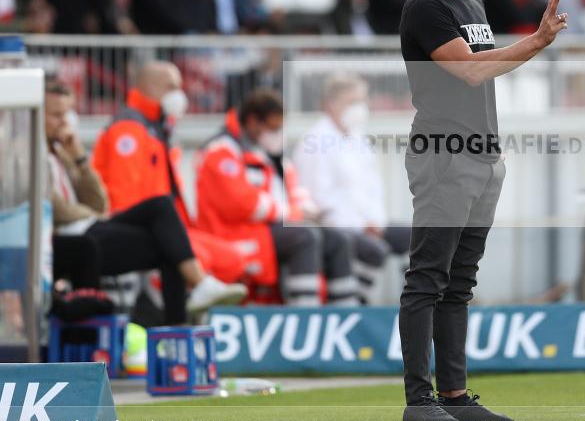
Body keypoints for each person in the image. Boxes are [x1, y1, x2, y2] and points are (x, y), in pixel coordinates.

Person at [398, 0, 567, 421]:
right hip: (444, 156)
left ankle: (453, 393)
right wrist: (537, 41)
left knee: (459, 281)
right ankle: (417, 400)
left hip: (480, 155)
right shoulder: (426, 7)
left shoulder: (470, 4)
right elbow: (471, 73)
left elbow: (483, 72)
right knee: (428, 277)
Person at [45, 79, 246, 324]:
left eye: (67, 113)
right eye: (56, 114)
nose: (65, 121)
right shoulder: (31, 154)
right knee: (163, 227)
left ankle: (179, 324)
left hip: (91, 224)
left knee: (163, 218)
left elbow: (99, 203)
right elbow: (54, 208)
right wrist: (91, 215)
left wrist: (79, 158)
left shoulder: (64, 152)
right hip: (73, 235)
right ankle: (198, 287)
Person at [195, 89, 360, 306]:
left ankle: (346, 315)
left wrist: (306, 209)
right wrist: (293, 212)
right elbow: (243, 204)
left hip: (269, 228)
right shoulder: (220, 151)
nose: (277, 133)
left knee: (338, 240)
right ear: (253, 122)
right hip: (236, 234)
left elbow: (294, 188)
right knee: (305, 237)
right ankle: (305, 315)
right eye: (273, 127)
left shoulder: (268, 151)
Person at [92, 62, 250, 285]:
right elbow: (123, 196)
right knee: (198, 257)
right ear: (148, 88)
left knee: (232, 258)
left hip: (167, 226)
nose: (178, 93)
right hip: (139, 227)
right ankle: (171, 304)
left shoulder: (158, 129)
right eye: (170, 87)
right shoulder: (129, 128)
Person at [293, 73, 411, 302]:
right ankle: (356, 305)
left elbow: (374, 188)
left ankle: (420, 304)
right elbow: (319, 199)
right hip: (337, 227)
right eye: (352, 102)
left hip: (369, 223)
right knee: (373, 250)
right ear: (330, 105)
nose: (360, 108)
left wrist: (375, 222)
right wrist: (361, 226)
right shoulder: (314, 141)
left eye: (362, 101)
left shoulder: (359, 138)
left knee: (417, 238)